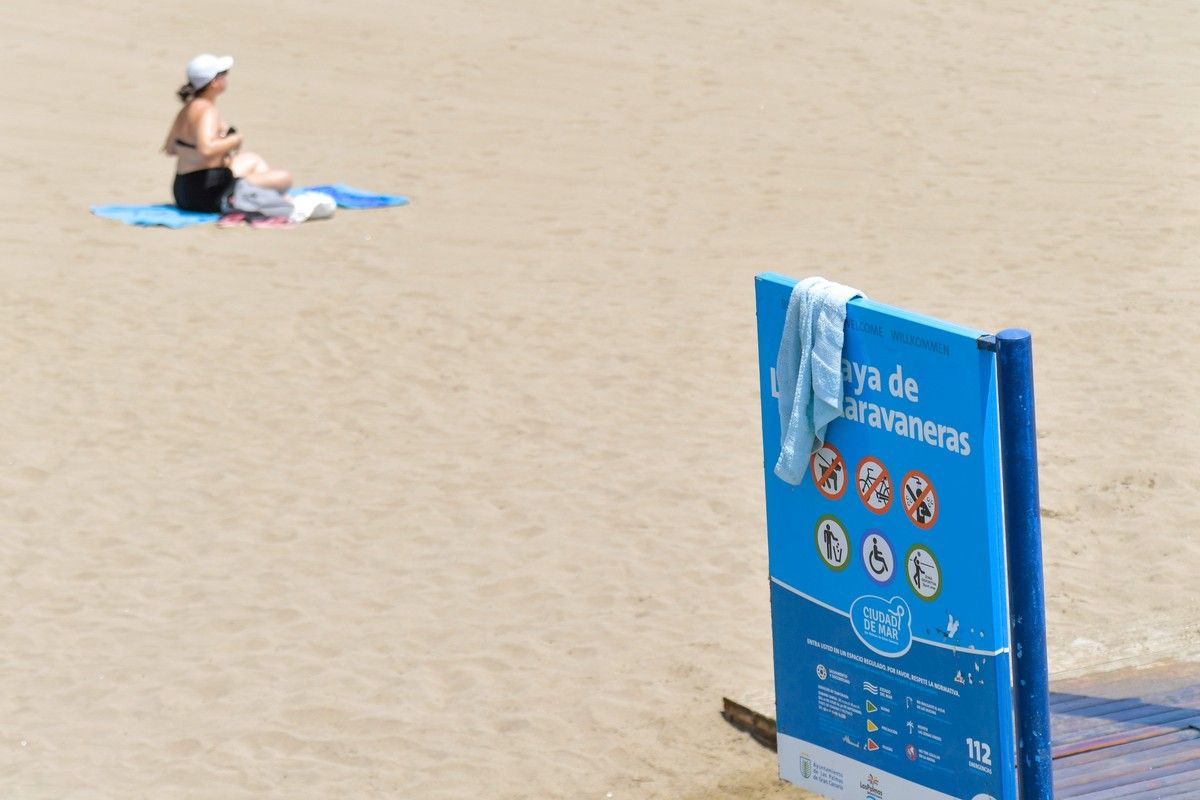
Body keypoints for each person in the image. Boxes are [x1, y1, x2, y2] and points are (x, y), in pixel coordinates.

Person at [163, 54, 292, 212]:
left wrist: (202, 149)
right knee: (284, 177)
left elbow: (170, 148)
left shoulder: (186, 109)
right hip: (206, 194)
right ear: (214, 82)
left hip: (183, 192)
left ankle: (266, 195)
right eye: (224, 74)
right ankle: (268, 197)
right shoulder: (207, 110)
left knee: (253, 159)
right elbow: (206, 148)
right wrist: (235, 140)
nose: (226, 78)